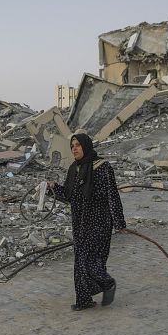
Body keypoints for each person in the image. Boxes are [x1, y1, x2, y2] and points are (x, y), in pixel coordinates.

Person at [47, 133, 126, 310]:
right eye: (72, 145)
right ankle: (84, 301)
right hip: (80, 224)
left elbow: (112, 196)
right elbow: (69, 197)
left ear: (86, 146)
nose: (74, 148)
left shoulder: (103, 167)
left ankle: (108, 283)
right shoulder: (74, 169)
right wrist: (52, 189)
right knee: (80, 263)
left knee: (89, 261)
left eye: (78, 145)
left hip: (99, 222)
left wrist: (119, 222)